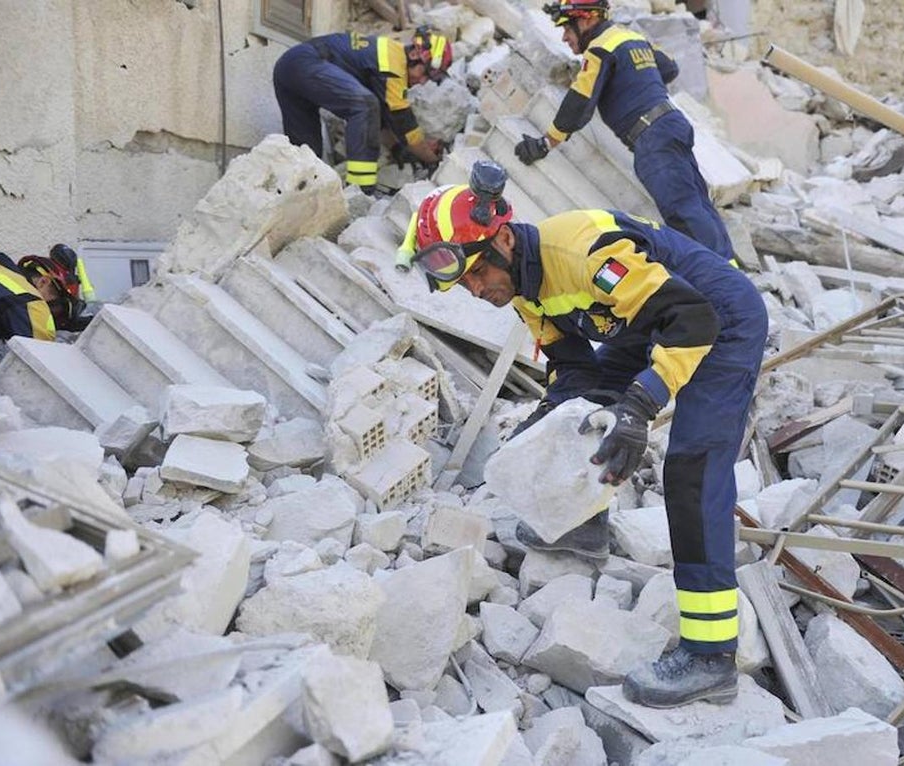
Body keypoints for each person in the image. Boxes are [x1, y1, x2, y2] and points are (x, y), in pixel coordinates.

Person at [410, 178, 768, 709]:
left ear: (504, 240)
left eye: (479, 272)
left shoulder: (581, 250)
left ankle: (710, 656)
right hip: (647, 321)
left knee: (691, 468)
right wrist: (549, 421)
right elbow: (576, 371)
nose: (478, 290)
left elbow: (692, 319)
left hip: (719, 318)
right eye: (465, 284)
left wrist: (641, 406)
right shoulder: (525, 289)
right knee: (571, 414)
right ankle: (582, 526)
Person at [513, 0, 737, 265]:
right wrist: (633, 82)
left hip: (650, 137)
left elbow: (579, 103)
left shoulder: (599, 49)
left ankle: (715, 276)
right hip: (671, 124)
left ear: (585, 21)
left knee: (682, 211)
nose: (564, 37)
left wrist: (545, 143)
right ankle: (728, 267)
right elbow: (669, 67)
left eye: (566, 28)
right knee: (698, 204)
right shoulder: (631, 37)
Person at [273, 26, 451, 195]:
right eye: (426, 73)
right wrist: (431, 159)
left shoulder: (386, 59)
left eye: (431, 78)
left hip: (287, 67)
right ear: (414, 54)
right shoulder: (393, 64)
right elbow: (404, 124)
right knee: (365, 104)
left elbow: (382, 119)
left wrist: (398, 149)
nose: (422, 82)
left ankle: (293, 202)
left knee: (306, 156)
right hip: (306, 62)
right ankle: (360, 189)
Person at [0, 246, 88, 356]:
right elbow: (40, 359)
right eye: (54, 307)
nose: (49, 313)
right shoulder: (29, 302)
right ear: (43, 282)